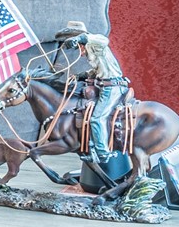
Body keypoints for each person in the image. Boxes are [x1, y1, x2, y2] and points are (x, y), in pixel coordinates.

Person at [52, 20, 129, 182]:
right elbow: (98, 69)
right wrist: (82, 75)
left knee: (97, 118)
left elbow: (103, 39)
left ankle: (103, 153)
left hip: (112, 87)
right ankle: (90, 148)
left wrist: (80, 39)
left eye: (72, 40)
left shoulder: (95, 42)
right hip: (103, 85)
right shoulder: (90, 50)